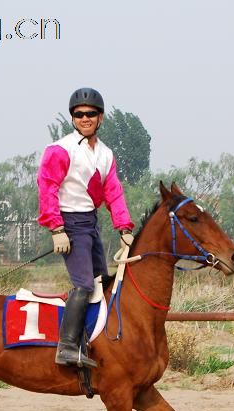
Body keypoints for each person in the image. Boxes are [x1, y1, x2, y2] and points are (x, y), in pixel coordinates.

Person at [37, 87, 135, 368]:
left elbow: (113, 192)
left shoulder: (105, 154)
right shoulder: (60, 149)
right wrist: (56, 228)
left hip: (90, 222)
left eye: (90, 114)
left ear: (100, 117)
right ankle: (66, 346)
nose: (85, 118)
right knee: (82, 284)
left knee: (101, 281)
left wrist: (124, 227)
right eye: (79, 114)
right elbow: (47, 188)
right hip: (69, 222)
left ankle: (94, 341)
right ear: (73, 118)